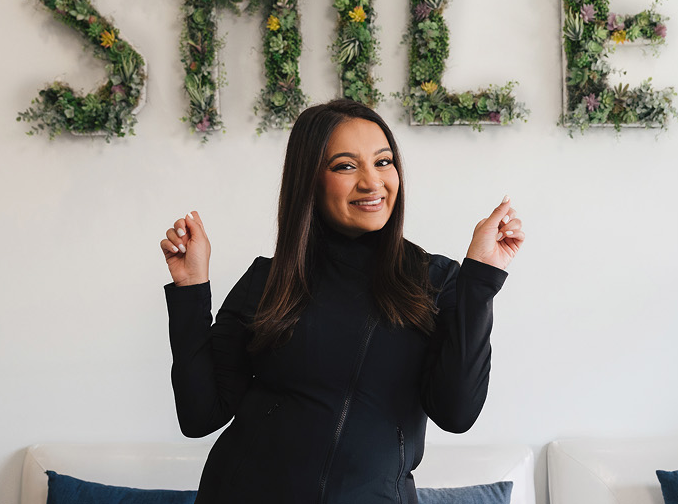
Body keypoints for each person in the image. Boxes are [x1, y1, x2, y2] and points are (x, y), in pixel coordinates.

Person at [159, 98, 525, 503]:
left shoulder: (435, 281)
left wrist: (481, 280)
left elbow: (456, 414)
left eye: (383, 162)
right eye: (346, 166)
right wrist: (191, 288)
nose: (372, 182)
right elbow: (199, 416)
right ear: (310, 180)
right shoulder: (268, 280)